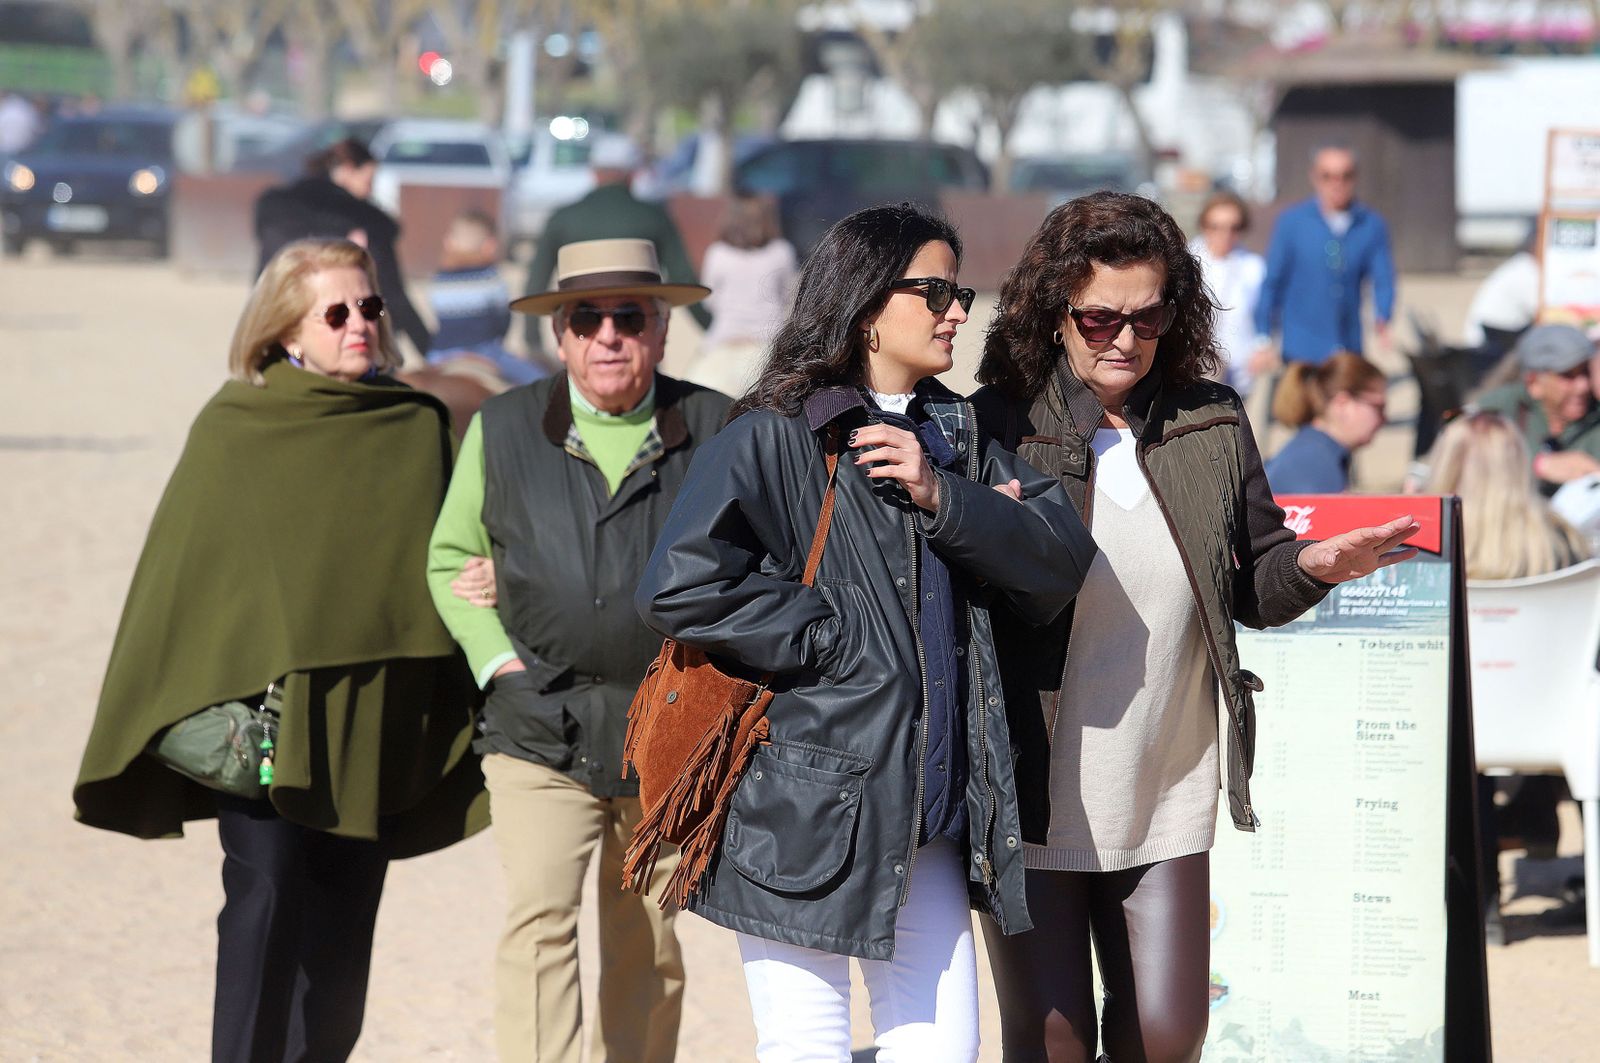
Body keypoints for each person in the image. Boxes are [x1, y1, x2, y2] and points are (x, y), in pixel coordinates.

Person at [634, 203, 1096, 1062]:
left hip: (932, 817)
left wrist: (945, 496)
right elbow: (680, 583)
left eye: (960, 293)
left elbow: (1061, 561)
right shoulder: (776, 432)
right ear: (866, 302)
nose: (957, 311)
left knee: (943, 1051)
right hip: (803, 809)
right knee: (806, 1047)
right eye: (936, 292)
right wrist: (830, 633)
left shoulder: (957, 434)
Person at [971, 190, 1420, 1063]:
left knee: (1170, 1035)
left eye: (1148, 316)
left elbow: (1253, 582)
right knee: (1055, 1039)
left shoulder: (1211, 418)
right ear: (1054, 312)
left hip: (1167, 776)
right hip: (1031, 785)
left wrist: (1318, 565)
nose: (1125, 339)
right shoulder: (997, 424)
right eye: (1099, 318)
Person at [72, 238, 489, 1063]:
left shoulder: (414, 424)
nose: (359, 323)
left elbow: (449, 553)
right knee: (261, 910)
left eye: (369, 305)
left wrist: (483, 574)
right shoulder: (238, 425)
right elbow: (186, 581)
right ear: (286, 329)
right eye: (335, 311)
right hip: (268, 731)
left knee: (339, 960)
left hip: (375, 723)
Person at [427, 238, 729, 1063]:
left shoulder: (718, 427)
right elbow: (450, 559)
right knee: (539, 925)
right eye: (585, 318)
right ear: (559, 336)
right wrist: (501, 666)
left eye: (629, 316)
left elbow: (765, 563)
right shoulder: (501, 427)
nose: (608, 335)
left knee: (649, 937)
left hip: (667, 736)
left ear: (661, 329)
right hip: (537, 726)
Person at [1420, 410, 1592, 944]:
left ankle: (1481, 903)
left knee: (1463, 713)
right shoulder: (1566, 545)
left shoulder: (1422, 548)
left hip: (1455, 726)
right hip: (1550, 727)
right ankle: (1542, 817)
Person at [522, 134, 712, 361]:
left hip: (583, 339)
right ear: (633, 175)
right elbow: (683, 277)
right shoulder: (653, 217)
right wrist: (712, 328)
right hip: (638, 340)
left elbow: (536, 280)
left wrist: (532, 339)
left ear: (594, 172)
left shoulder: (562, 218)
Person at [254, 138, 432, 358]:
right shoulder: (365, 221)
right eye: (369, 180)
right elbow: (393, 294)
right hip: (339, 339)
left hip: (274, 324)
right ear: (348, 169)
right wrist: (430, 350)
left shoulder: (275, 207)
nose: (370, 190)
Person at [1254, 145, 1397, 367]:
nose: (1337, 184)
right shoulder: (1292, 222)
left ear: (1355, 177)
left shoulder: (1370, 224)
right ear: (1314, 177)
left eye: (1345, 176)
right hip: (1301, 349)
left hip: (1348, 345)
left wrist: (1383, 317)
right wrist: (1263, 336)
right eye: (1327, 176)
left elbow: (1383, 278)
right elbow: (1273, 281)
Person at [681, 193, 798, 397]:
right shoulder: (781, 252)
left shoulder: (718, 253)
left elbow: (709, 301)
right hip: (768, 346)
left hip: (723, 344)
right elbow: (789, 297)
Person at [1472, 323, 1600, 495]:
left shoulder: (1595, 418)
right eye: (1567, 375)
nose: (1583, 386)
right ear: (1534, 383)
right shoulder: (1503, 408)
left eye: (1585, 372)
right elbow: (1460, 451)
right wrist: (1538, 465)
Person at [426, 209, 544, 386]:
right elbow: (503, 320)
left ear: (448, 243)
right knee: (539, 380)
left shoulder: (439, 279)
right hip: (485, 352)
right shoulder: (491, 278)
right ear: (490, 245)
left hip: (441, 354)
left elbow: (438, 315)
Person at [1264, 352, 1389, 494]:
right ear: (1343, 404)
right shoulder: (1315, 466)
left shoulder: (1314, 452)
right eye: (1379, 407)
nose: (1385, 418)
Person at [1189, 190, 1266, 395]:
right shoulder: (1187, 262)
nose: (1225, 234)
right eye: (1216, 226)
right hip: (1199, 368)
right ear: (1204, 225)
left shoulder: (1254, 267)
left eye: (1234, 227)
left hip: (1244, 372)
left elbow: (1266, 314)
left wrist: (1262, 347)